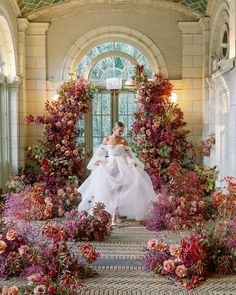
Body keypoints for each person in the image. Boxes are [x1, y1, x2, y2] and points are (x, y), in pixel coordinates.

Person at [78, 121, 156, 225]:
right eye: (120, 131)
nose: (121, 133)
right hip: (109, 165)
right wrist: (98, 160)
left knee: (120, 189)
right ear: (114, 129)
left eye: (122, 131)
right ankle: (111, 213)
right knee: (110, 189)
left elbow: (130, 155)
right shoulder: (106, 139)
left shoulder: (123, 141)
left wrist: (133, 163)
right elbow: (99, 152)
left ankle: (116, 214)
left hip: (122, 166)